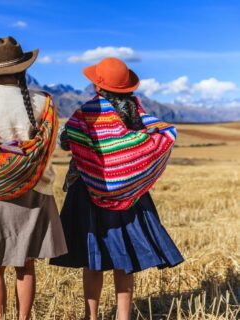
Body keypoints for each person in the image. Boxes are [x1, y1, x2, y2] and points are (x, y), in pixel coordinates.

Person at [50, 57, 184, 320]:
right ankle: (123, 317)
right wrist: (126, 160)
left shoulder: (87, 112)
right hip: (131, 195)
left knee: (94, 258)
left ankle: (92, 316)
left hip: (88, 193)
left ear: (98, 86)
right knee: (125, 260)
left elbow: (67, 140)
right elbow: (161, 135)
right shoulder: (138, 113)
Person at [0, 36, 67, 320]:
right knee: (26, 265)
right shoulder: (44, 103)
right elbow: (49, 145)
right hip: (34, 193)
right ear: (23, 69)